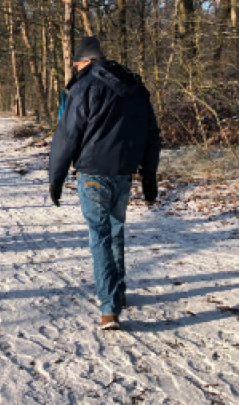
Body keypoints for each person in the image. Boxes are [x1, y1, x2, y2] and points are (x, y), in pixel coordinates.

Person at [49, 36, 161, 331]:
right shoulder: (136, 86)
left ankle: (109, 308)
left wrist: (56, 179)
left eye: (76, 65)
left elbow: (68, 135)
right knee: (115, 230)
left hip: (93, 173)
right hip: (124, 172)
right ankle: (118, 291)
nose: (75, 70)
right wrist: (149, 179)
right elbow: (152, 136)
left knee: (100, 235)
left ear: (84, 61)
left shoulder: (84, 87)